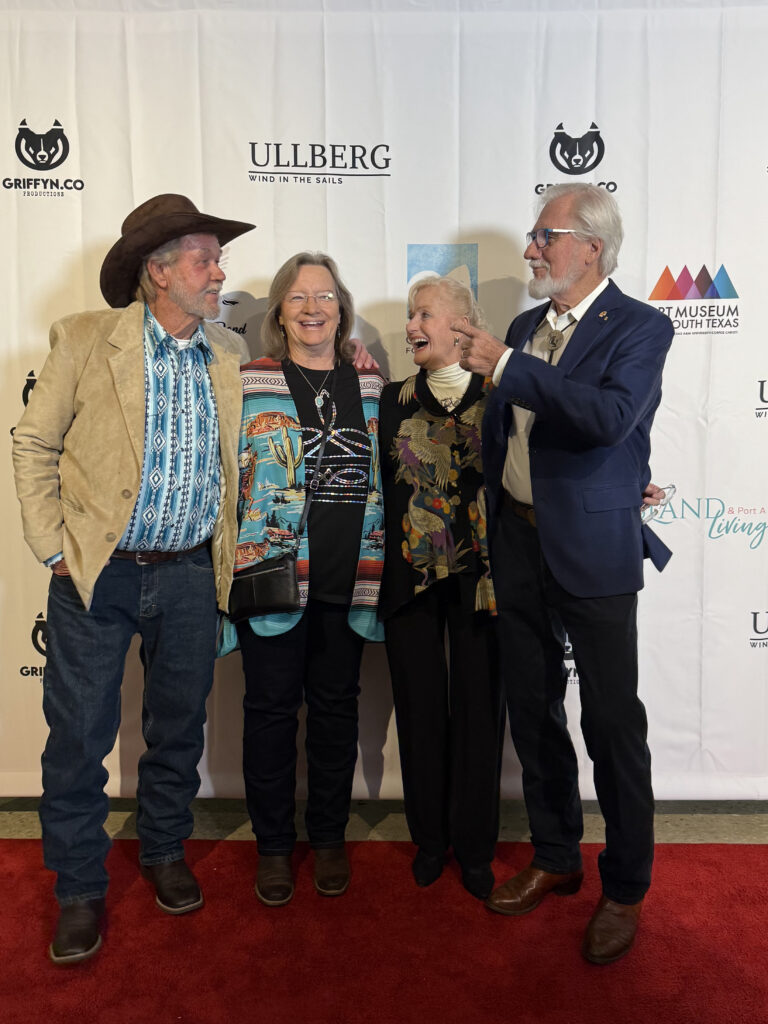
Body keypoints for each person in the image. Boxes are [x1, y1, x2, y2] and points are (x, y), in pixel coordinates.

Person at [12, 193, 255, 964]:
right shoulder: (86, 340)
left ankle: (163, 849)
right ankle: (80, 888)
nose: (220, 273)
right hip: (95, 577)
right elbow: (33, 444)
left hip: (188, 576)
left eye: (218, 259)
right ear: (158, 271)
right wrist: (54, 548)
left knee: (178, 729)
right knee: (78, 741)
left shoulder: (228, 354)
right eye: (204, 259)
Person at [456, 183, 673, 964]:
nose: (531, 249)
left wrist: (509, 365)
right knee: (534, 706)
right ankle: (555, 855)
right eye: (534, 234)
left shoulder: (643, 325)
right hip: (516, 543)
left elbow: (610, 418)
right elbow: (503, 433)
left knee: (613, 724)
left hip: (596, 551)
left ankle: (625, 885)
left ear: (591, 245)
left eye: (545, 236)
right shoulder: (521, 326)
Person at [218, 252, 385, 907]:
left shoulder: (370, 387)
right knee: (267, 716)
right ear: (279, 314)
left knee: (338, 713)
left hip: (351, 577)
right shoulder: (246, 380)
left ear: (341, 308)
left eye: (325, 296)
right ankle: (274, 849)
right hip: (269, 574)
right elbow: (227, 478)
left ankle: (330, 837)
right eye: (298, 297)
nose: (313, 308)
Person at [378, 276, 505, 900]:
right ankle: (430, 840)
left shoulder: (502, 391)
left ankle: (477, 848)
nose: (410, 325)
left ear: (461, 324)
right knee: (421, 713)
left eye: (423, 313)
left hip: (484, 581)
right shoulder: (392, 399)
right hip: (411, 578)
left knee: (480, 715)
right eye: (408, 314)